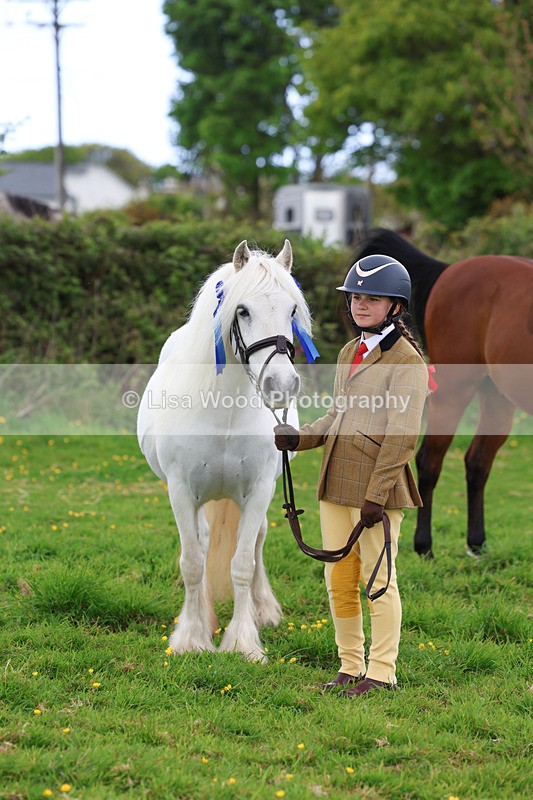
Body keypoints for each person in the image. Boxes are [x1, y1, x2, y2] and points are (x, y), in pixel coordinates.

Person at [274, 254, 428, 697]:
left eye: (372, 298)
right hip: (336, 483)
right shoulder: (348, 352)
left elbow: (402, 438)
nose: (360, 304)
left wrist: (375, 495)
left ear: (395, 306)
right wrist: (299, 438)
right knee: (338, 579)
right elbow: (336, 417)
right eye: (355, 297)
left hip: (376, 493)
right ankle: (348, 665)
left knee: (378, 582)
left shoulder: (407, 363)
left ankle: (381, 673)